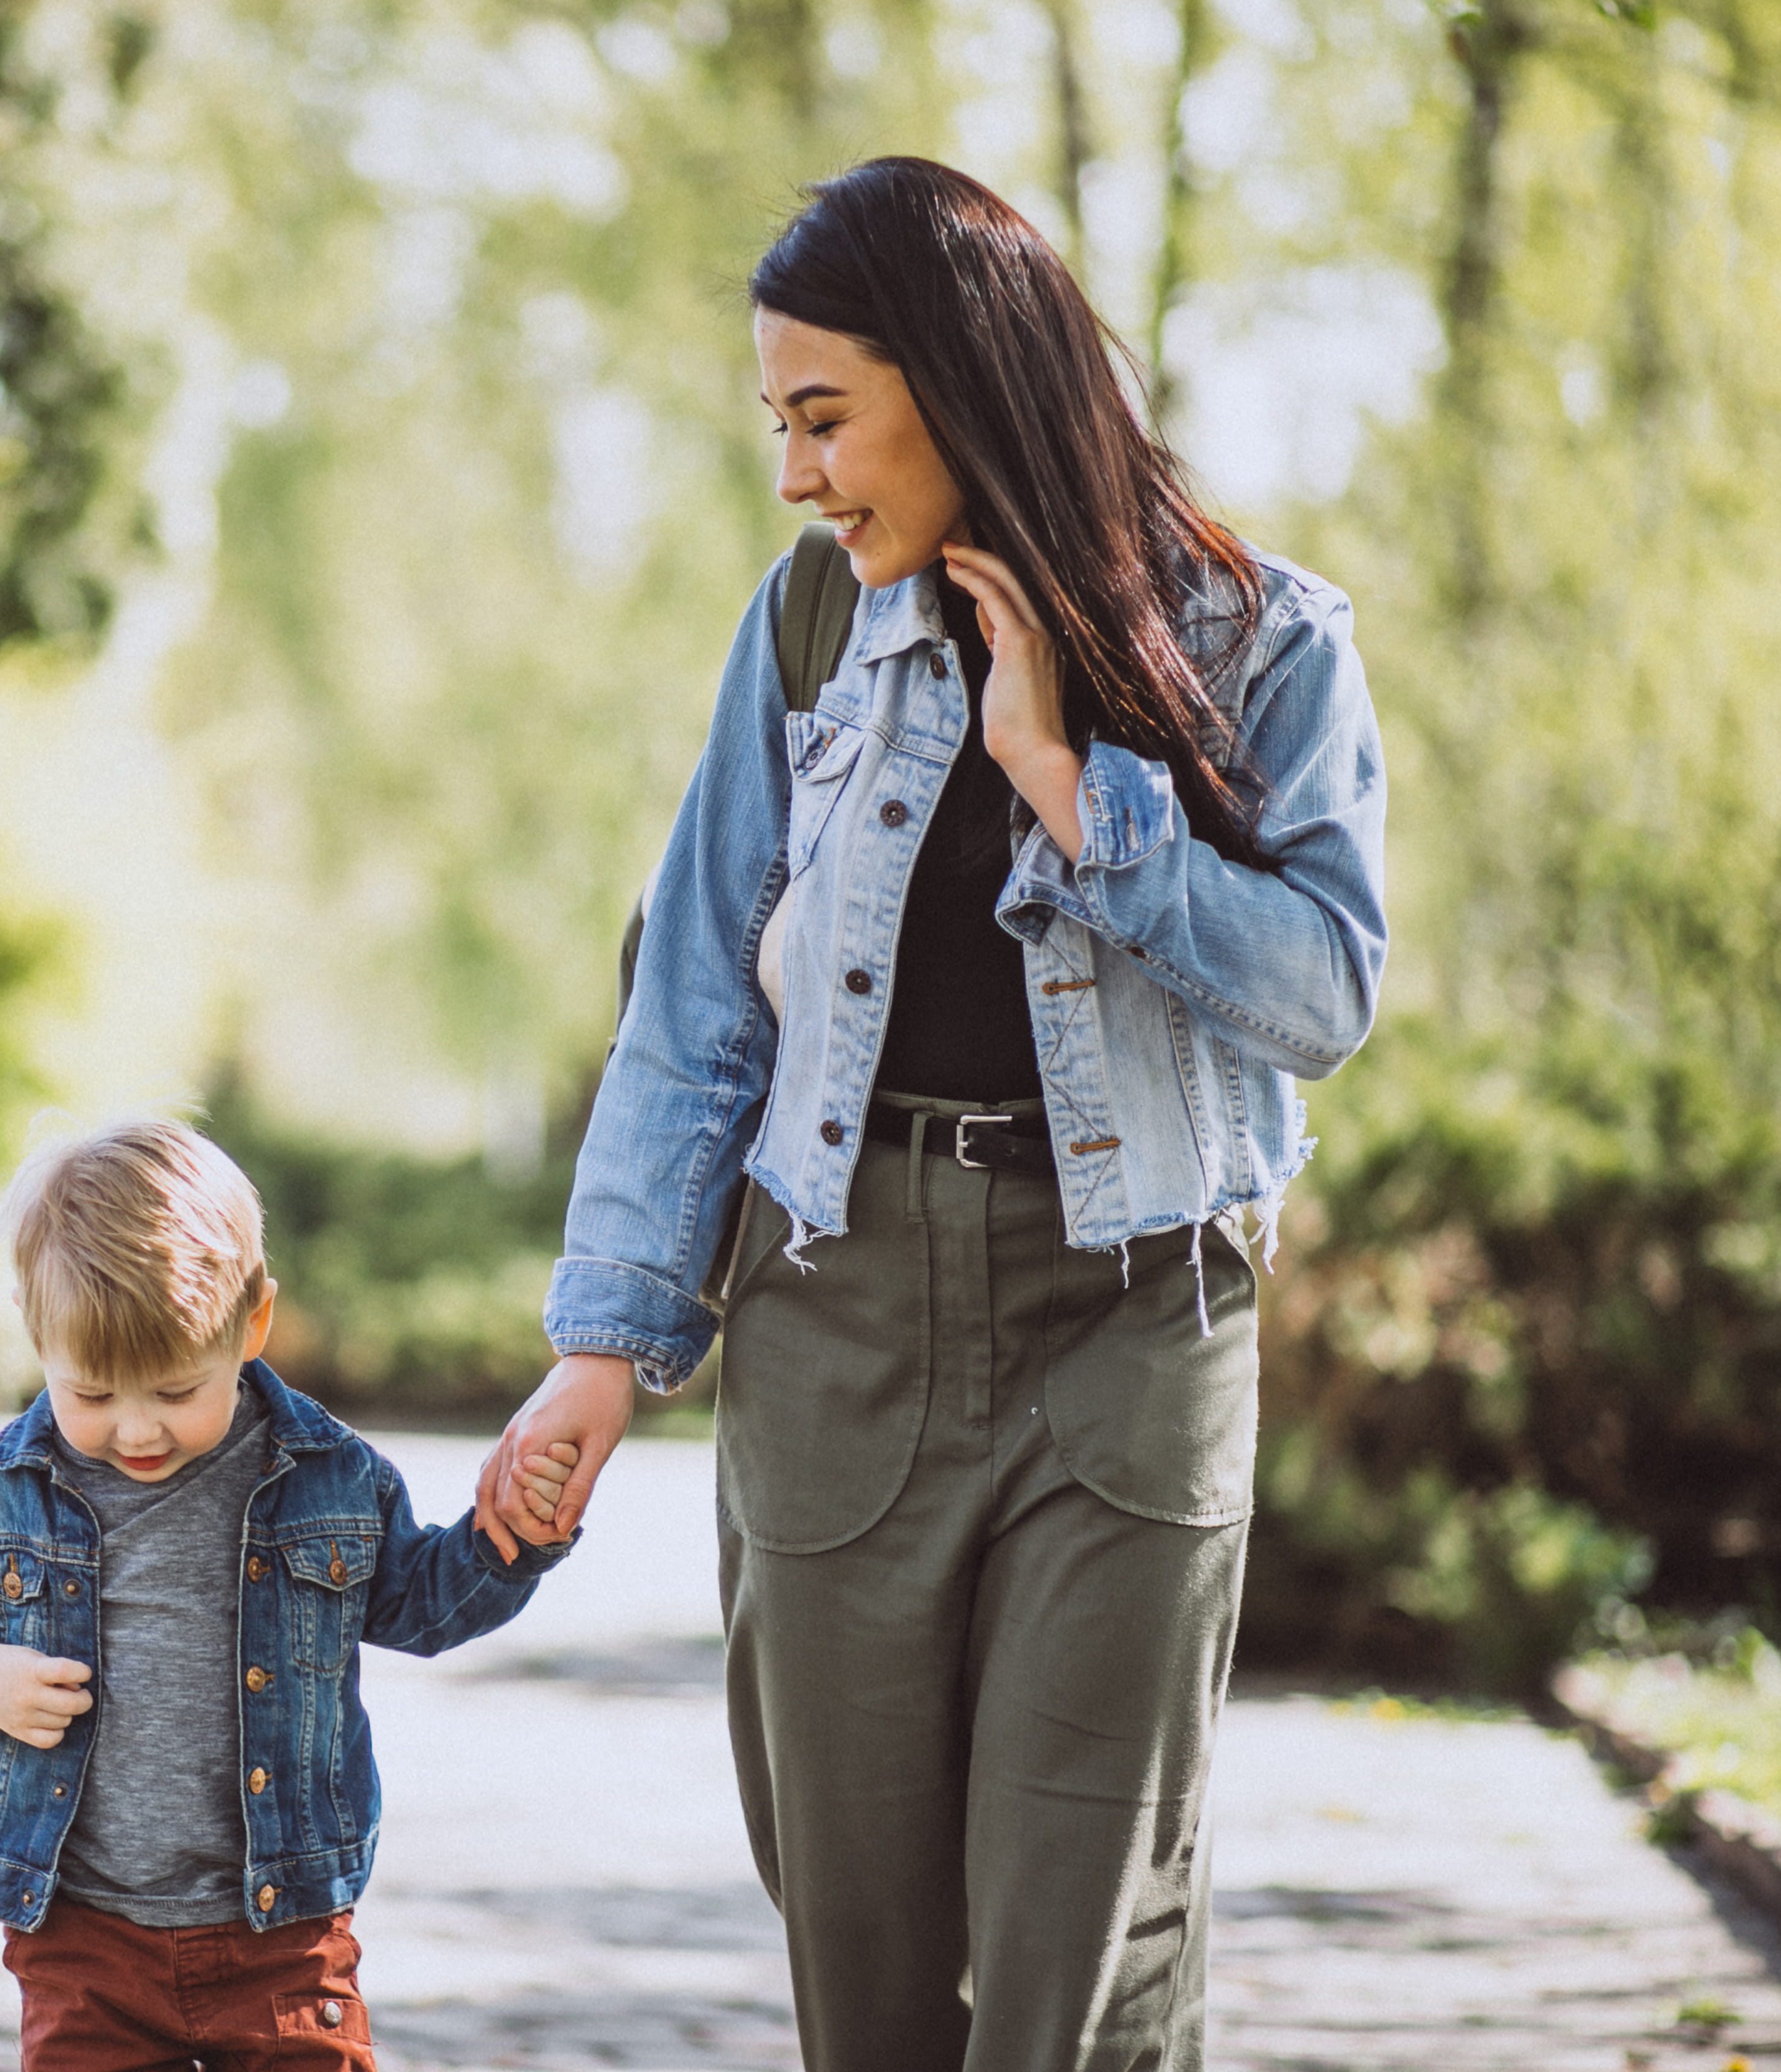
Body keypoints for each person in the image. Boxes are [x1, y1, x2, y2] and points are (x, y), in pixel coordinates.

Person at [474, 158, 1387, 2070]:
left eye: (826, 419)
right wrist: (601, 1348)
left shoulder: (1264, 643)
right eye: (780, 424)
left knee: (1083, 1964)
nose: (797, 474)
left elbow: (1323, 995)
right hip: (837, 1314)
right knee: (864, 1957)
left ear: (963, 384)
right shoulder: (805, 629)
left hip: (1130, 1320)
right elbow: (695, 1001)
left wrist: (1072, 788)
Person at [0, 1117, 578, 2071]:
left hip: (280, 1928)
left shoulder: (328, 1476)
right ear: (34, 1333)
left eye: (175, 1392)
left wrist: (512, 1542)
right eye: (91, 1394)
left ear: (252, 1324)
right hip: (83, 1929)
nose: (136, 1428)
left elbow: (422, 1605)